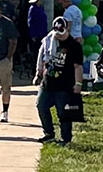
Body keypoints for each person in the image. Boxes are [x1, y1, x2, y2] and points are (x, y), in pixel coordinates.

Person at [33, 17, 83, 145]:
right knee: (41, 105)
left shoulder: (74, 45)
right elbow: (43, 57)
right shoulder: (49, 40)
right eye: (56, 32)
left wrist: (78, 84)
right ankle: (48, 133)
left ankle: (65, 138)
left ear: (67, 29)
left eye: (61, 33)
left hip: (64, 85)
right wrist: (39, 73)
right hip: (48, 82)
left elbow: (78, 66)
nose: (58, 36)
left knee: (63, 112)